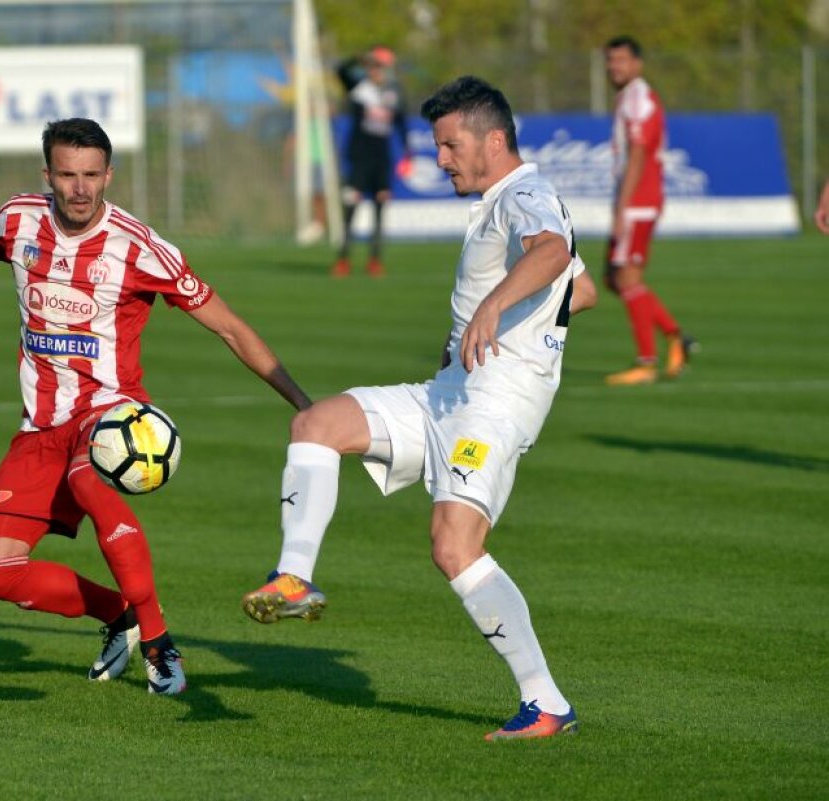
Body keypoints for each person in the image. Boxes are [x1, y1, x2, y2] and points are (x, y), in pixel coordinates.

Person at [0, 118, 311, 695]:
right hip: (39, 426)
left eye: (91, 175)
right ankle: (119, 617)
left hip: (111, 412)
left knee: (90, 478)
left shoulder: (139, 248)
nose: (79, 188)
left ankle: (158, 643)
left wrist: (304, 406)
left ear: (109, 175)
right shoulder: (17, 220)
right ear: (48, 175)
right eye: (67, 175)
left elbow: (229, 327)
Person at [242, 76, 598, 741]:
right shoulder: (507, 199)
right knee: (316, 424)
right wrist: (519, 318)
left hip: (491, 408)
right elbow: (584, 289)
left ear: (494, 139)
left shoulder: (524, 194)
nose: (441, 160)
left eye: (449, 145)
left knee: (453, 545)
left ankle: (545, 701)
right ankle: (294, 578)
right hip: (449, 393)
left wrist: (495, 309)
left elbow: (550, 253)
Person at [603, 35, 695, 386]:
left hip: (639, 200)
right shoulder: (628, 96)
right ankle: (676, 337)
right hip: (635, 198)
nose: (615, 67)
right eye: (611, 61)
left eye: (621, 60)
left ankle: (647, 361)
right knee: (615, 278)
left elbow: (640, 152)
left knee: (627, 277)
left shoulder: (639, 96)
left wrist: (622, 207)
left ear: (637, 64)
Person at [332, 45, 412, 278]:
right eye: (373, 66)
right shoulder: (359, 88)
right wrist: (360, 56)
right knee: (351, 208)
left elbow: (401, 123)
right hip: (359, 158)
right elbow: (340, 70)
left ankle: (375, 260)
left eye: (380, 66)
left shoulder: (393, 92)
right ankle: (343, 259)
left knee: (380, 207)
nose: (376, 71)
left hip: (381, 159)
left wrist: (408, 151)